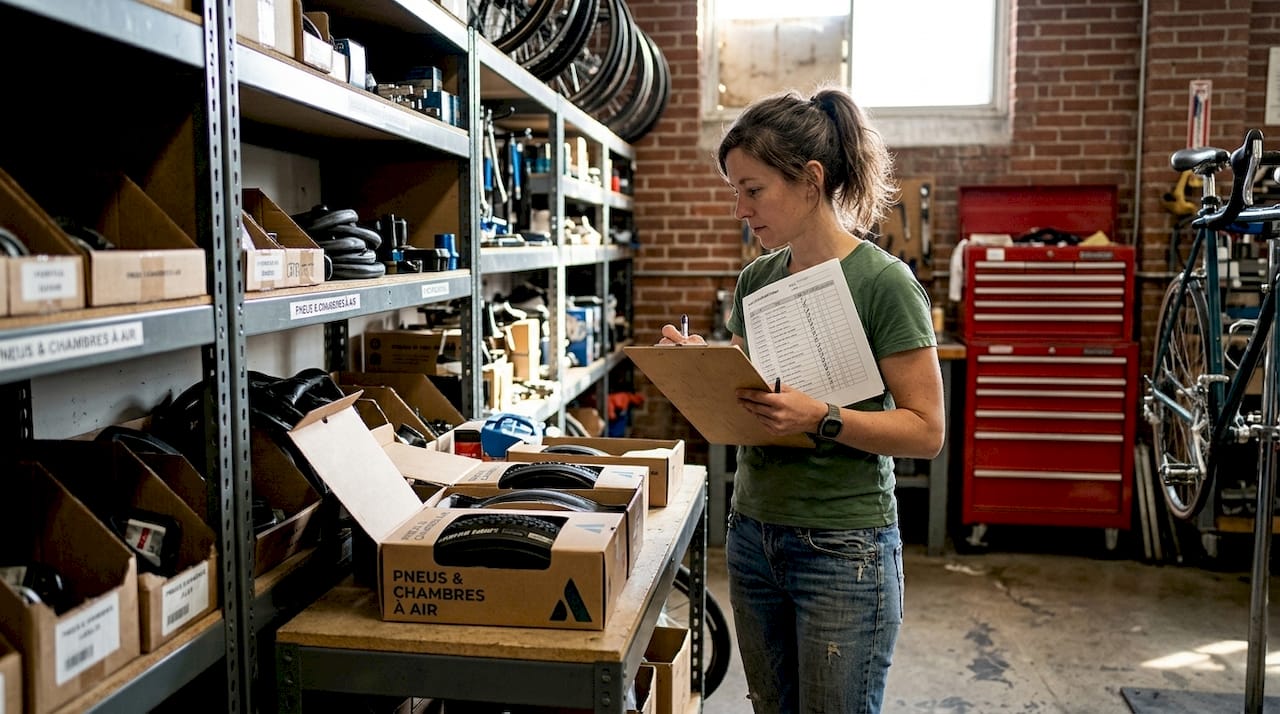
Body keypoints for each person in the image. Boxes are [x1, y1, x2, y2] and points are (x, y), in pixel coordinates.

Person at [659, 86, 945, 713]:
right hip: (754, 532)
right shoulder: (756, 278)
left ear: (810, 181)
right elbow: (750, 393)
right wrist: (703, 365)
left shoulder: (884, 284)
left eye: (753, 189)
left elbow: (926, 431)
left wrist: (825, 417)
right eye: (735, 190)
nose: (740, 208)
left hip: (844, 547)